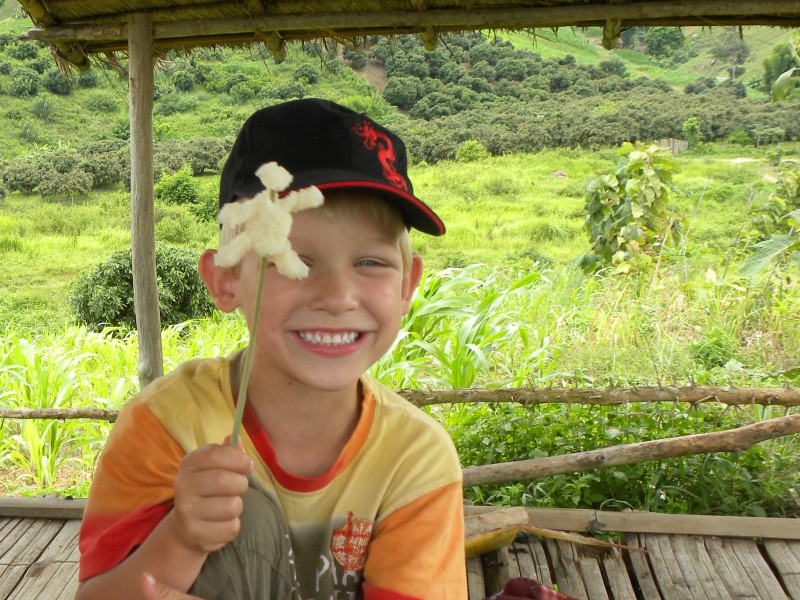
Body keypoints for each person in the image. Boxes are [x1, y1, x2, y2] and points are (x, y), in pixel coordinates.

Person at [76, 98, 467, 600]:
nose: (337, 296)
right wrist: (182, 538)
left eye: (370, 263)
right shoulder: (166, 426)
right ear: (225, 279)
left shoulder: (416, 459)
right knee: (245, 519)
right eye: (291, 260)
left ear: (407, 285)